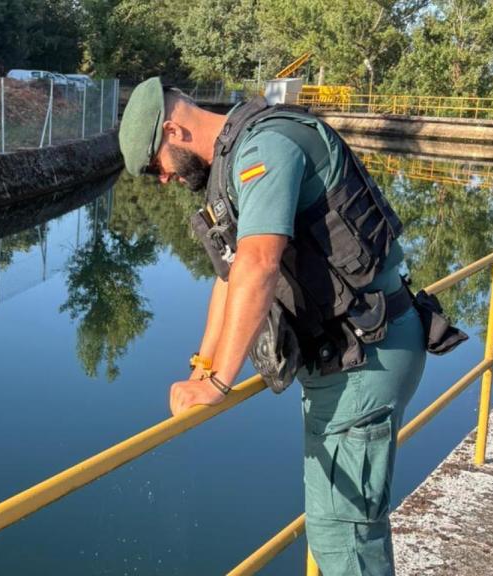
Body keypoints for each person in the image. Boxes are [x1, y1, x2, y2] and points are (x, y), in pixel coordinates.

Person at [117, 77, 442, 575]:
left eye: (153, 166)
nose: (161, 179)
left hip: (366, 351)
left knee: (345, 534)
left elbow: (259, 265)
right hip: (347, 354)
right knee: (339, 525)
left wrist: (222, 382)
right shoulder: (233, 161)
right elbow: (229, 278)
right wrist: (203, 369)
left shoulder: (264, 147)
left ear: (172, 130)